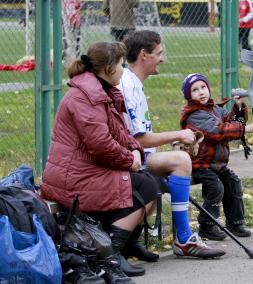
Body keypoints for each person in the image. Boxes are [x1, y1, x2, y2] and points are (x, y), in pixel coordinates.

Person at [40, 41, 159, 283]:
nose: (124, 70)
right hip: (73, 177)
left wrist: (135, 150)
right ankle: (108, 253)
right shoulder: (86, 97)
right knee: (146, 186)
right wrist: (130, 160)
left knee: (151, 182)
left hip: (90, 169)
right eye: (121, 65)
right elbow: (101, 144)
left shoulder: (102, 90)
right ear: (107, 69)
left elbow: (122, 133)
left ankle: (116, 247)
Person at [119, 30, 226, 259]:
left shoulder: (134, 82)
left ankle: (180, 237)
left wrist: (179, 138)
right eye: (159, 53)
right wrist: (178, 135)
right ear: (143, 55)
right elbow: (137, 139)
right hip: (131, 159)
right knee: (181, 160)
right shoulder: (127, 85)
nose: (163, 58)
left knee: (180, 160)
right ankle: (184, 238)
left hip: (142, 156)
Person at [180, 73, 253, 241]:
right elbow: (218, 131)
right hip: (200, 164)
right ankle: (207, 226)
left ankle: (235, 223)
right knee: (216, 188)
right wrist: (244, 129)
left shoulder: (215, 109)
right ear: (189, 96)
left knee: (233, 183)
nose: (201, 92)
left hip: (217, 163)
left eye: (203, 87)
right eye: (195, 90)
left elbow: (232, 121)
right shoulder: (194, 115)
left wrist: (238, 108)